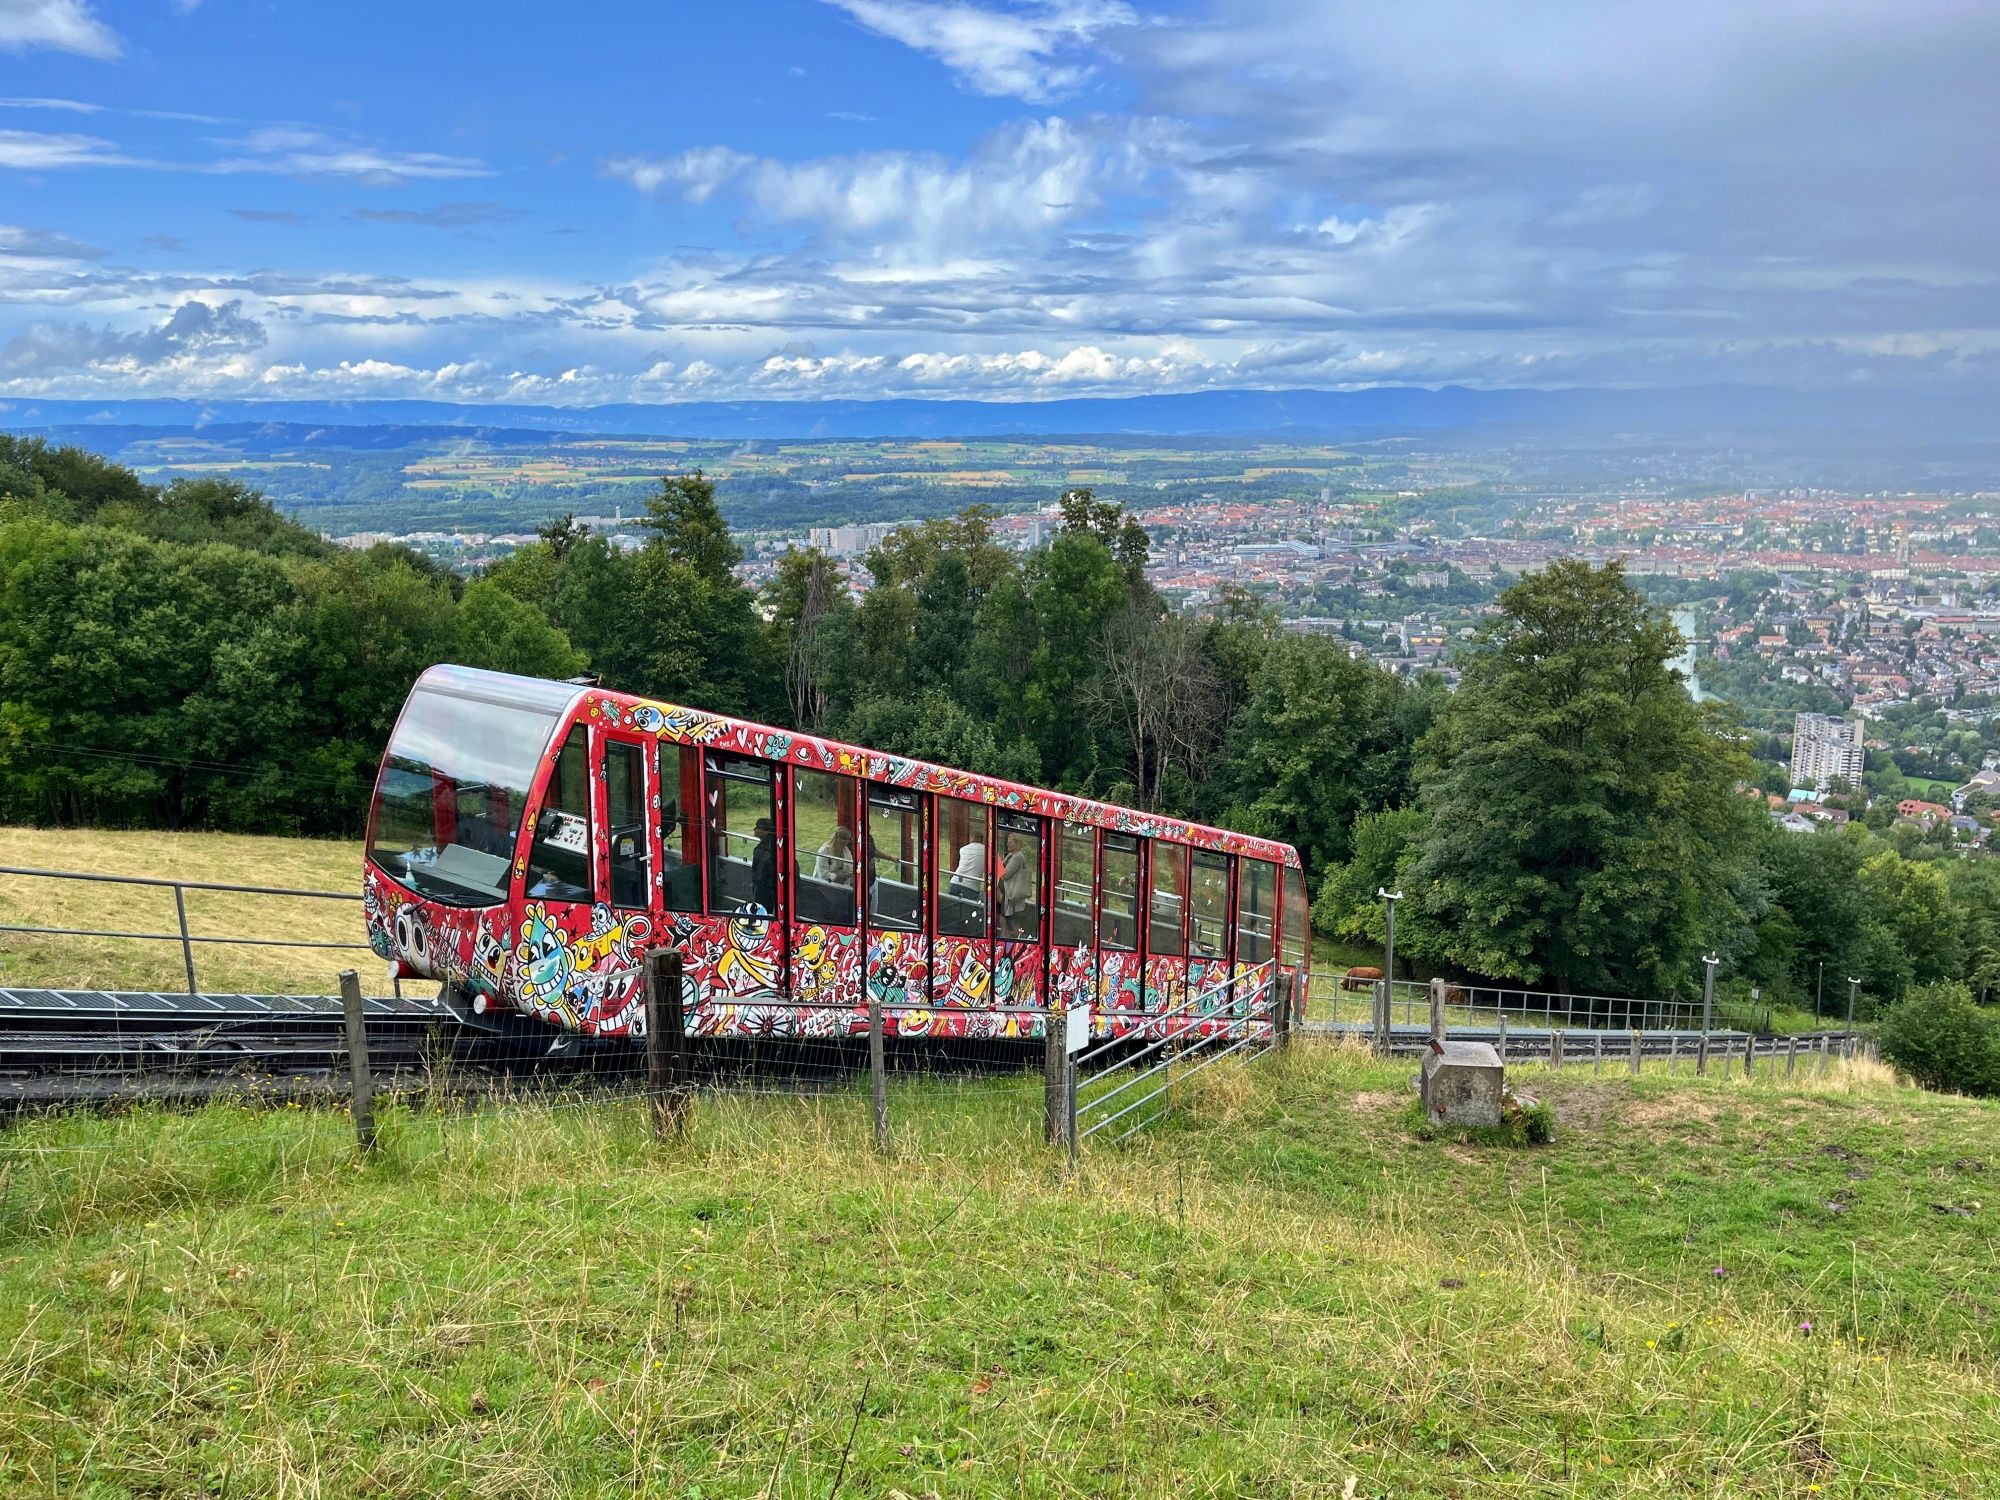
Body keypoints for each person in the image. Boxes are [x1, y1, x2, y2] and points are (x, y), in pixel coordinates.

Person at [998, 846, 1034, 936]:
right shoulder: (1010, 855)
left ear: (1017, 843)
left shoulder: (1017, 857)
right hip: (1008, 891)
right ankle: (1006, 936)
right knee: (1006, 916)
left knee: (1011, 918)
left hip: (1012, 892)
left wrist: (998, 866)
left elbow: (1005, 874)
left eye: (1010, 842)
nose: (1007, 844)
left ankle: (1010, 937)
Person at [750, 816, 778, 914]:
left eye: (758, 827)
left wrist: (756, 886)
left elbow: (759, 873)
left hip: (764, 889)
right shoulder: (776, 846)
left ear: (766, 831)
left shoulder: (762, 850)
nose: (755, 829)